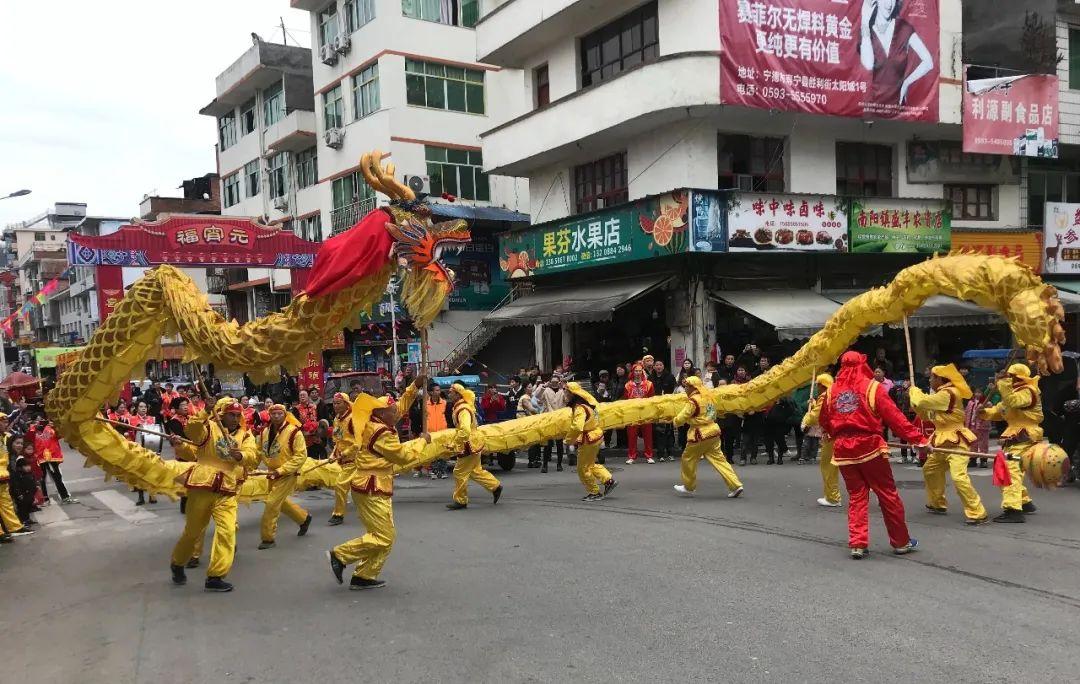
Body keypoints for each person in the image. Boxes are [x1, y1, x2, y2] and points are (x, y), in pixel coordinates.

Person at [819, 351, 928, 559]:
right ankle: (901, 541)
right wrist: (919, 440)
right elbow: (896, 418)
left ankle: (858, 543)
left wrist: (832, 432)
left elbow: (825, 420)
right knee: (887, 493)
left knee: (857, 496)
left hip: (844, 449)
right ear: (862, 364)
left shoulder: (831, 391)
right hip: (869, 447)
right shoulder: (872, 387)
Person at [327, 393, 434, 590]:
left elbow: (401, 407)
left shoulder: (367, 423)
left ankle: (364, 575)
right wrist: (422, 441)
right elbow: (403, 456)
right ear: (382, 413)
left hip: (372, 483)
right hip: (372, 486)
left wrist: (415, 386)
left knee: (382, 535)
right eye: (393, 412)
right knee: (384, 536)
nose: (396, 414)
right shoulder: (381, 431)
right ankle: (341, 554)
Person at [169, 398, 259, 592]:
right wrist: (204, 413)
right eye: (231, 415)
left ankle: (216, 576)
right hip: (202, 486)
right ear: (221, 414)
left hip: (227, 489)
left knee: (227, 531)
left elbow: (253, 455)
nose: (235, 419)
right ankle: (177, 562)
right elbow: (191, 432)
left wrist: (241, 456)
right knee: (193, 532)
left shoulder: (245, 435)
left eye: (237, 415)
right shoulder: (208, 427)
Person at [909, 364, 989, 525]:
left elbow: (923, 402)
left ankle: (977, 512)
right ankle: (937, 503)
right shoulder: (940, 394)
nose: (930, 380)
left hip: (956, 442)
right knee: (930, 470)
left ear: (940, 379)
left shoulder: (949, 393)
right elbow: (925, 415)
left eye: (932, 377)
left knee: (958, 478)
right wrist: (916, 404)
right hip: (941, 441)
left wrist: (914, 392)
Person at [979, 364, 1042, 523]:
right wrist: (985, 413)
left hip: (1026, 436)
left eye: (1009, 375)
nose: (1005, 378)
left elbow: (1013, 402)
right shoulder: (1012, 392)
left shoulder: (1028, 391)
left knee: (1010, 470)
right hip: (1015, 435)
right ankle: (1024, 501)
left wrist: (1002, 385)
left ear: (1016, 377)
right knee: (1010, 468)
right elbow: (1001, 410)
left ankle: (1013, 510)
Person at [672, 376, 744, 498]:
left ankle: (689, 486)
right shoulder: (708, 397)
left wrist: (675, 421)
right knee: (720, 460)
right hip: (713, 432)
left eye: (687, 386)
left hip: (699, 434)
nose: (685, 389)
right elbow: (713, 413)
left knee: (688, 458)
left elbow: (682, 417)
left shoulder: (693, 401)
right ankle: (736, 485)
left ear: (692, 387)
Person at [255, 404, 313, 548]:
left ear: (285, 415)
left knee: (271, 503)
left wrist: (281, 470)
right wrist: (247, 468)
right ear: (269, 415)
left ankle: (268, 538)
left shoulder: (294, 432)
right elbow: (257, 453)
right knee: (279, 502)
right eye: (273, 414)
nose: (276, 416)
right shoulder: (264, 433)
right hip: (271, 473)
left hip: (287, 474)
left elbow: (301, 456)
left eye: (279, 413)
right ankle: (303, 518)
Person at [859, 0, 935, 109]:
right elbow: (868, 64)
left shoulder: (903, 28)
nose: (889, 4)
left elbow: (929, 62)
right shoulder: (867, 31)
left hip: (898, 108)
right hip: (872, 107)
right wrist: (865, 24)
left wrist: (906, 83)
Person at [446, 383, 503, 510]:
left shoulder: (463, 409)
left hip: (469, 444)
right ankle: (495, 486)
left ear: (457, 394)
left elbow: (465, 430)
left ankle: (461, 500)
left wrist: (455, 442)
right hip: (473, 442)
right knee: (475, 470)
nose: (448, 394)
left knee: (459, 472)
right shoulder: (460, 407)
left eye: (451, 392)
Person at [563, 382, 617, 502]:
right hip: (595, 437)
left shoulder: (579, 408)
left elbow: (577, 427)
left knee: (582, 468)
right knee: (590, 464)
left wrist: (568, 440)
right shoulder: (586, 405)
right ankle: (608, 480)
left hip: (588, 439)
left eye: (566, 391)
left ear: (572, 393)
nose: (564, 394)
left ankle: (594, 492)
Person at [802, 374, 841, 507]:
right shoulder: (836, 393)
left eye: (818, 385)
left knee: (828, 465)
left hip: (832, 435)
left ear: (822, 385)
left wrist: (806, 420)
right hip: (839, 433)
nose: (817, 387)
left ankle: (832, 497)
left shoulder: (825, 396)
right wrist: (814, 403)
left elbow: (816, 415)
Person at [0, 414, 34, 542]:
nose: (6, 424)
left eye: (6, 422)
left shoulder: (5, 436)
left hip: (4, 475)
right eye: (3, 422)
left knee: (6, 503)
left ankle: (15, 527)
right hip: (2, 474)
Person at [30, 419, 77, 505]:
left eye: (41, 419)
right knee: (42, 479)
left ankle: (65, 497)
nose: (39, 422)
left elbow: (61, 435)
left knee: (57, 477)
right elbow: (28, 441)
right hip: (39, 459)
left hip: (52, 458)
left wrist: (56, 426)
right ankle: (45, 500)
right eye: (36, 420)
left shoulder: (50, 428)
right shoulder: (31, 430)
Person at [130, 401, 161, 506]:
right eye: (141, 407)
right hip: (138, 449)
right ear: (136, 408)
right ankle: (141, 496)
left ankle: (152, 495)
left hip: (151, 449)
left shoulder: (152, 419)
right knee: (140, 473)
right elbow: (134, 431)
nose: (143, 409)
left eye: (145, 407)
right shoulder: (132, 419)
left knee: (152, 473)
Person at [624, 364, 655, 464]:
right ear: (632, 372)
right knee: (632, 435)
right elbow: (626, 399)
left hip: (646, 412)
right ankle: (632, 456)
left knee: (648, 434)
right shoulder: (628, 385)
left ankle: (649, 455)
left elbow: (652, 399)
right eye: (636, 371)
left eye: (640, 370)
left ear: (643, 371)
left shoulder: (649, 384)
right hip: (632, 413)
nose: (638, 373)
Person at [539, 376, 567, 472]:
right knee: (547, 444)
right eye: (553, 382)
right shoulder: (546, 390)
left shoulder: (562, 391)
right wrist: (543, 386)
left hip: (559, 419)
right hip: (549, 420)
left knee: (559, 444)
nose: (554, 384)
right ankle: (545, 465)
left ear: (559, 382)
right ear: (550, 382)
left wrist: (564, 387)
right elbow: (538, 397)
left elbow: (568, 400)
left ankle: (559, 464)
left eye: (556, 382)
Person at [652, 360, 678, 461]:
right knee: (659, 431)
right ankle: (660, 454)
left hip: (669, 405)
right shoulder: (651, 378)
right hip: (657, 407)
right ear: (654, 367)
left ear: (663, 366)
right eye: (657, 365)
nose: (658, 367)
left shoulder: (670, 376)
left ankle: (671, 453)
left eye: (660, 365)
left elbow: (675, 390)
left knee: (669, 429)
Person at [516, 383, 542, 468]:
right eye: (529, 387)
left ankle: (535, 459)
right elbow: (531, 409)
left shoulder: (529, 397)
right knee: (534, 440)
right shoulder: (525, 398)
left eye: (531, 387)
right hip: (524, 422)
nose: (531, 389)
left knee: (536, 440)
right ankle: (532, 461)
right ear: (525, 389)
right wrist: (541, 414)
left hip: (529, 421)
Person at [965, 386, 991, 469]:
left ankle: (983, 461)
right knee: (973, 443)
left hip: (982, 426)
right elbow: (967, 413)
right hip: (971, 426)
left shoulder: (987, 403)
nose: (977, 394)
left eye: (979, 392)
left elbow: (990, 413)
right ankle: (973, 460)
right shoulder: (970, 402)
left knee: (983, 444)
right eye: (976, 392)